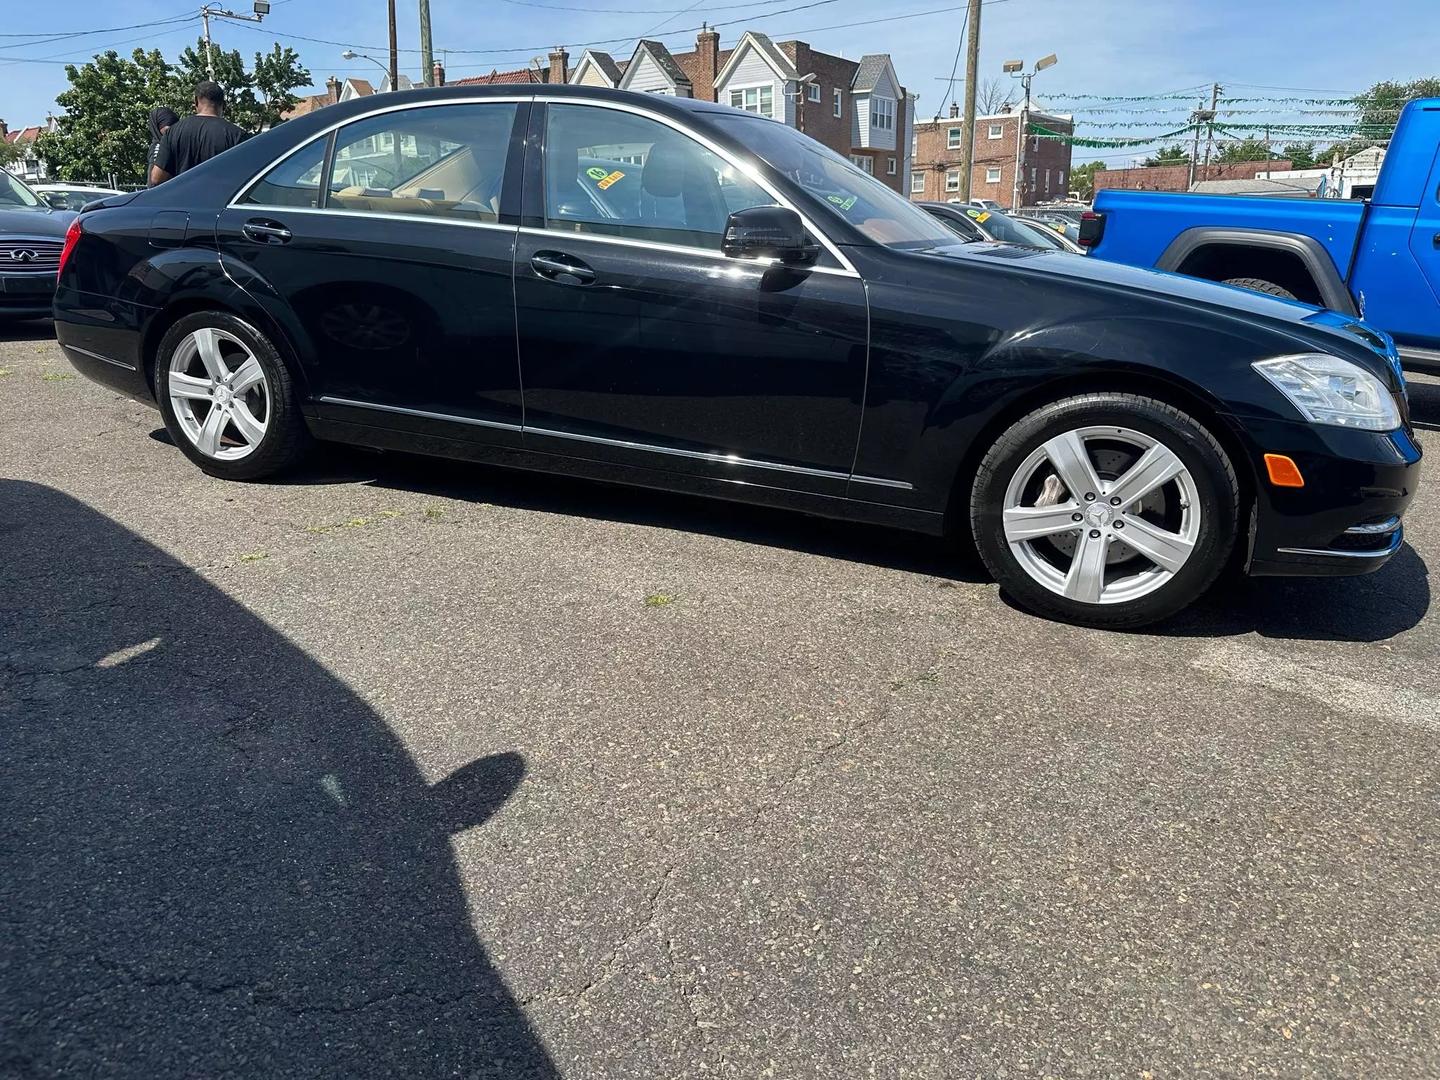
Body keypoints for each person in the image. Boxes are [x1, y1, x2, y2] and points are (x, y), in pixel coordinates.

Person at [149, 81, 247, 186]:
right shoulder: (237, 135)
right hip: (220, 200)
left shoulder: (174, 131)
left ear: (196, 102)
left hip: (182, 199)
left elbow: (156, 178)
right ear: (224, 105)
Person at [146, 106, 178, 187]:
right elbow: (153, 182)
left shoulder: (175, 144)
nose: (171, 133)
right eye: (167, 131)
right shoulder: (158, 147)